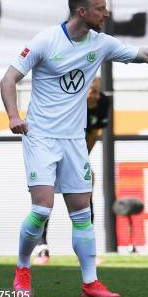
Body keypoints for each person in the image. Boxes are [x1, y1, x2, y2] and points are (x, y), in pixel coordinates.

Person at [0, 0, 148, 297]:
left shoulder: (101, 44)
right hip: (40, 137)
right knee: (42, 210)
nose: (106, 13)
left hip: (74, 140)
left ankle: (90, 282)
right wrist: (13, 115)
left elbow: (145, 54)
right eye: (101, 8)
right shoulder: (45, 41)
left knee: (82, 214)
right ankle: (23, 269)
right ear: (83, 12)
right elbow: (9, 78)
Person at [33, 77, 109, 265]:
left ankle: (85, 252)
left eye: (95, 89)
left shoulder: (103, 101)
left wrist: (83, 160)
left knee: (85, 196)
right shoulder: (68, 100)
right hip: (53, 150)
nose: (92, 92)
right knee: (45, 200)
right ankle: (42, 248)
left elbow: (94, 134)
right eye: (89, 88)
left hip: (78, 153)